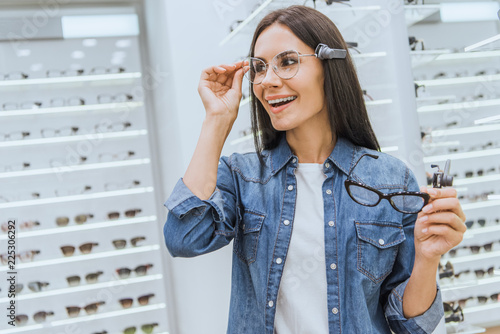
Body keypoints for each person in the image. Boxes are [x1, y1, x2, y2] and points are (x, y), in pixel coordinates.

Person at [163, 5, 466, 334]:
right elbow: (184, 237)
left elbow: (411, 326)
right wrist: (217, 119)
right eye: (259, 68)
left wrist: (427, 257)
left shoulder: (391, 179)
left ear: (329, 66)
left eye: (288, 62)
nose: (268, 81)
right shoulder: (243, 176)